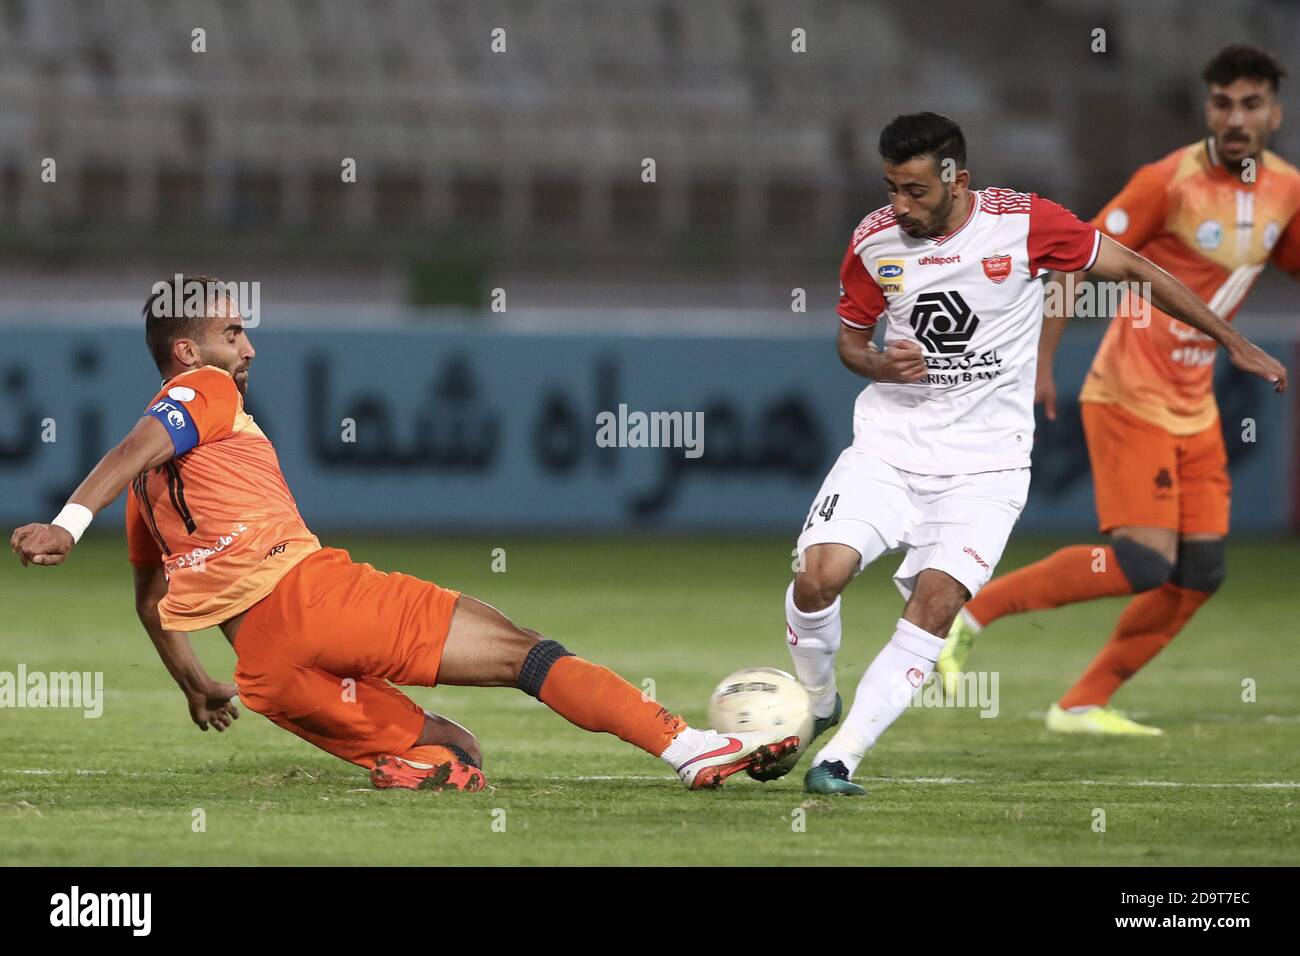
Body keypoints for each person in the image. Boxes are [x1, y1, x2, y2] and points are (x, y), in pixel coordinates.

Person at [10, 276, 798, 792]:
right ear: (188, 353)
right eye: (231, 333)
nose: (246, 348)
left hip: (264, 670)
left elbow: (151, 602)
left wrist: (194, 682)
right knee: (527, 654)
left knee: (459, 754)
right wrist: (67, 523)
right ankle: (688, 747)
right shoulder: (202, 389)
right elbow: (135, 443)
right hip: (314, 598)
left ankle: (427, 772)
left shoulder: (146, 497)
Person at [781, 111, 1286, 795]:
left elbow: (1133, 267)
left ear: (958, 180)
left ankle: (841, 758)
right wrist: (877, 363)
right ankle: (817, 701)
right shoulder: (875, 241)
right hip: (889, 448)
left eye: (915, 191)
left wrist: (1230, 339)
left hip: (987, 466)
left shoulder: (1026, 224)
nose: (899, 205)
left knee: (935, 603)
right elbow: (849, 341)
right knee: (818, 578)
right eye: (891, 188)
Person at [940, 46, 1300, 736]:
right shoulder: (1167, 182)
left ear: (1273, 114)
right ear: (1207, 109)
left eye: (1250, 105)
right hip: (1129, 390)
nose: (1235, 118)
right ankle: (973, 609)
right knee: (1141, 561)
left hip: (1195, 405)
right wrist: (1045, 359)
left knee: (1201, 572)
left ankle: (1080, 704)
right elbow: (1074, 258)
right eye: (1222, 103)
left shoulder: (1286, 189)